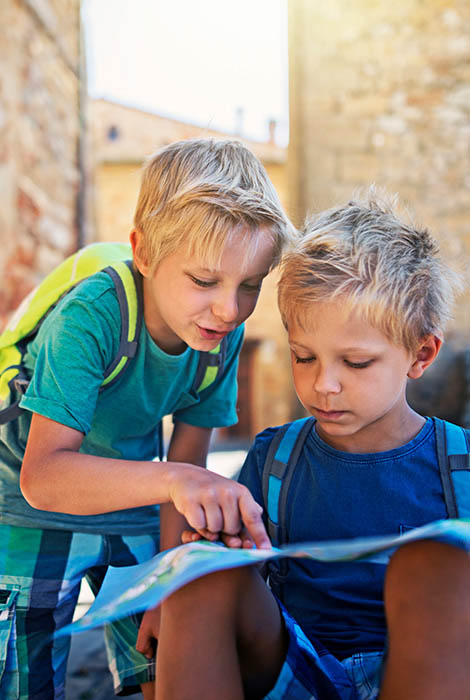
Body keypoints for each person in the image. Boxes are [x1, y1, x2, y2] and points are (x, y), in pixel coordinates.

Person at [0, 138, 294, 699]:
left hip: (131, 501)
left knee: (157, 662)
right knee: (26, 678)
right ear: (144, 252)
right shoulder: (92, 316)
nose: (230, 310)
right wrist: (178, 480)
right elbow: (45, 475)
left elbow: (183, 467)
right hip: (26, 507)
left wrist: (167, 585)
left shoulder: (218, 336)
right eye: (205, 281)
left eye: (250, 284)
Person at [148, 189, 470, 700]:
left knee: (434, 562)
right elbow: (235, 588)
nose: (325, 385)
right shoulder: (275, 459)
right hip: (295, 667)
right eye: (304, 357)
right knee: (202, 572)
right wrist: (198, 572)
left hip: (428, 675)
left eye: (356, 363)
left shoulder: (463, 465)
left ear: (421, 353)